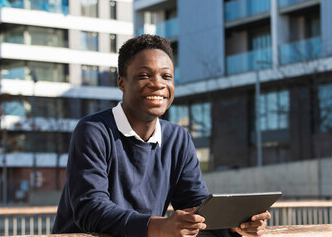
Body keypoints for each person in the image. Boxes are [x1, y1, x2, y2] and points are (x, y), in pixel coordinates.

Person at [52, 34, 270, 237]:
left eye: (167, 76)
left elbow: (195, 206)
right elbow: (90, 209)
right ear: (122, 83)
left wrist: (235, 224)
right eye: (144, 75)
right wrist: (157, 226)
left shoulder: (178, 138)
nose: (158, 84)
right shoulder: (94, 130)